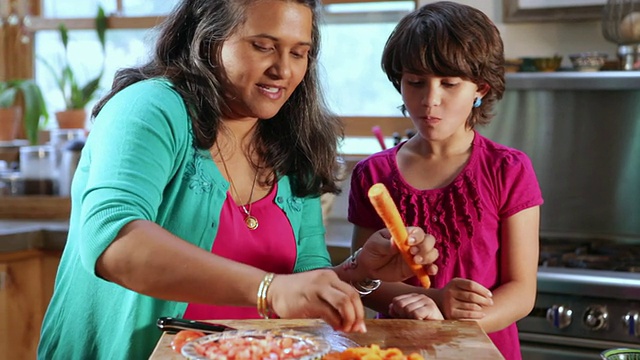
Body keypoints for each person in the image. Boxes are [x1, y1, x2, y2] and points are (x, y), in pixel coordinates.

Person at [37, 0, 439, 359]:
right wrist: (268, 289)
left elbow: (302, 283)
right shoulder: (149, 107)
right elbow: (112, 240)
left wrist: (358, 272)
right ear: (210, 40)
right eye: (263, 46)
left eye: (299, 53)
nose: (283, 69)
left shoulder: (293, 145)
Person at [348, 2, 543, 359]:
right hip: (397, 349)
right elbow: (367, 282)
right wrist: (431, 302)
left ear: (480, 88)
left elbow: (521, 290)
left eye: (449, 83)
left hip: (481, 349)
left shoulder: (509, 169)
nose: (429, 100)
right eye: (415, 82)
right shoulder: (372, 175)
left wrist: (451, 323)